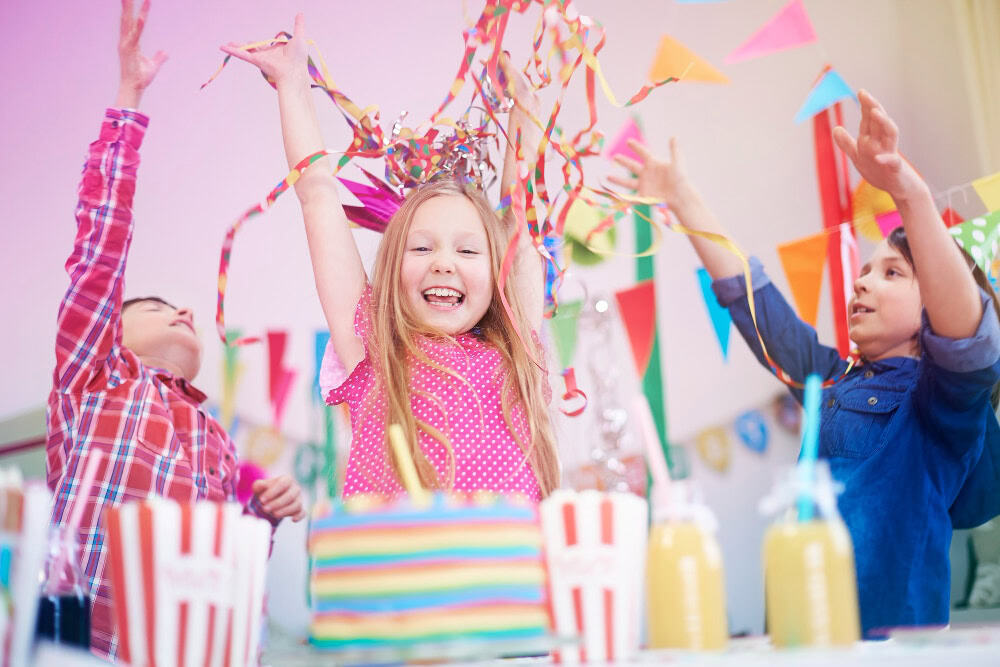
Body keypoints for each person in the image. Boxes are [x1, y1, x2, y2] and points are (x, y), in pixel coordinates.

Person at [609, 91, 1000, 635]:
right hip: (802, 637)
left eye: (892, 273)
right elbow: (754, 304)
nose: (862, 280)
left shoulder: (941, 402)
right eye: (866, 270)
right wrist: (682, 197)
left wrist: (906, 191)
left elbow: (969, 339)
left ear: (936, 299)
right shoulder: (834, 378)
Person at [46, 1, 307, 657]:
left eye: (182, 307)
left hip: (182, 647)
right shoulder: (94, 376)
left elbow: (224, 564)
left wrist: (261, 520)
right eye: (158, 304)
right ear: (111, 325)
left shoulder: (216, 439)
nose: (184, 310)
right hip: (83, 641)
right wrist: (127, 99)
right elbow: (99, 251)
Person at [221, 15, 559, 501]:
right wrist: (293, 87)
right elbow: (319, 200)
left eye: (467, 250)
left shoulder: (516, 356)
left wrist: (525, 109)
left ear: (497, 273)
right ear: (393, 271)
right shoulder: (374, 346)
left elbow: (520, 225)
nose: (444, 262)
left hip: (508, 571)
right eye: (422, 248)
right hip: (393, 570)